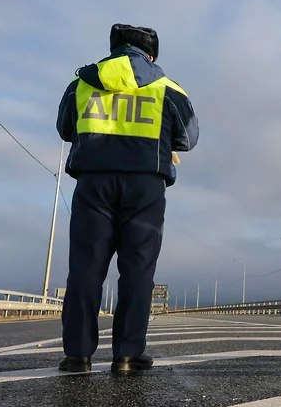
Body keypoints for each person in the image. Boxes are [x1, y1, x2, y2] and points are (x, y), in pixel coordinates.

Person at [56, 23, 199, 373]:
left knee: (86, 269)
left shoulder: (82, 84)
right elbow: (189, 138)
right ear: (151, 54)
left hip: (93, 183)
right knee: (137, 270)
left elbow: (64, 128)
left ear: (113, 48)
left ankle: (78, 355)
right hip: (145, 186)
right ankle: (127, 354)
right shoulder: (168, 88)